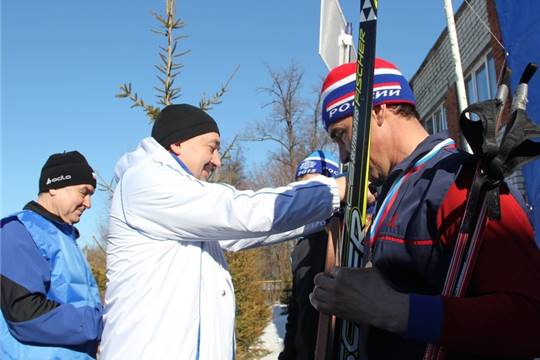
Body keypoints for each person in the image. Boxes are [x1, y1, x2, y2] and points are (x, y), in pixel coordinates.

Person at [310, 59, 540, 359]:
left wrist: (397, 310)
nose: (342, 156)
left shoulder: (461, 183)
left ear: (377, 111)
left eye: (342, 134)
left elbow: (530, 318)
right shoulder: (395, 191)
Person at [100, 104, 347, 360]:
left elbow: (246, 232)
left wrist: (322, 216)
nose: (217, 160)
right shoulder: (145, 181)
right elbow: (240, 212)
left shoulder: (184, 211)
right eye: (212, 147)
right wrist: (334, 190)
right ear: (177, 143)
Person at [0, 151, 103, 359]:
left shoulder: (65, 237)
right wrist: (102, 322)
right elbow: (25, 314)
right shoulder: (18, 231)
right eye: (84, 192)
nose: (88, 204)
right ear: (53, 186)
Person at [279, 150, 340, 360]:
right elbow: (297, 307)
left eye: (311, 187)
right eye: (300, 186)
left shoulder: (345, 236)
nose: (305, 195)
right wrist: (288, 353)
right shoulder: (303, 244)